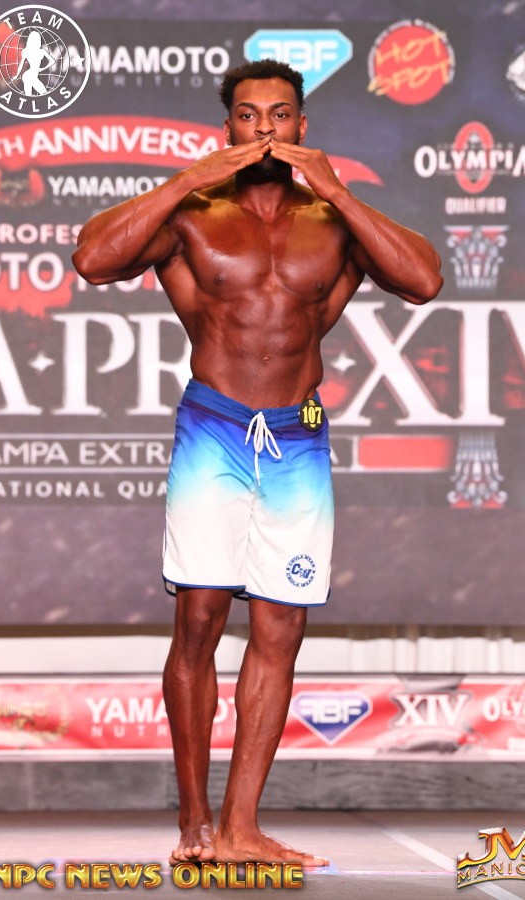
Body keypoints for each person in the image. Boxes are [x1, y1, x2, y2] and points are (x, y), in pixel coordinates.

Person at [73, 59, 443, 867]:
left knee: (280, 627)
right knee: (201, 619)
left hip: (297, 435)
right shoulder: (195, 215)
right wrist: (188, 179)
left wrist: (339, 190)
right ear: (229, 126)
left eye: (280, 115)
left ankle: (242, 827)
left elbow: (424, 280)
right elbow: (94, 260)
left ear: (302, 126)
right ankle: (195, 825)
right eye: (248, 115)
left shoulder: (332, 222)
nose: (265, 129)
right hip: (216, 428)